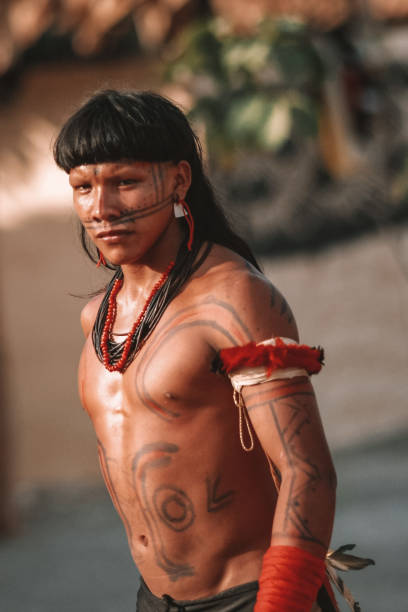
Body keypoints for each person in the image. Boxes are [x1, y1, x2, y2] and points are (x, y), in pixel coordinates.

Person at [54, 89, 339, 611]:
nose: (102, 208)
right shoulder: (97, 317)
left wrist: (283, 603)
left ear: (180, 180)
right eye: (83, 187)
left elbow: (308, 469)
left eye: (126, 182)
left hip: (253, 597)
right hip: (157, 600)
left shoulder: (234, 298)